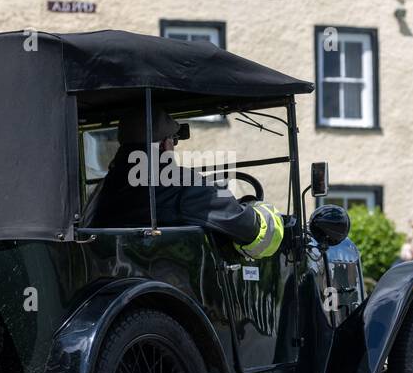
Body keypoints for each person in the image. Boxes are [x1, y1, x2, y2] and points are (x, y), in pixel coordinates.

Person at [90, 104, 284, 259]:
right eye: (174, 140)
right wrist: (261, 211)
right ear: (166, 144)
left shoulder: (104, 188)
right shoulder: (183, 185)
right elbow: (248, 228)